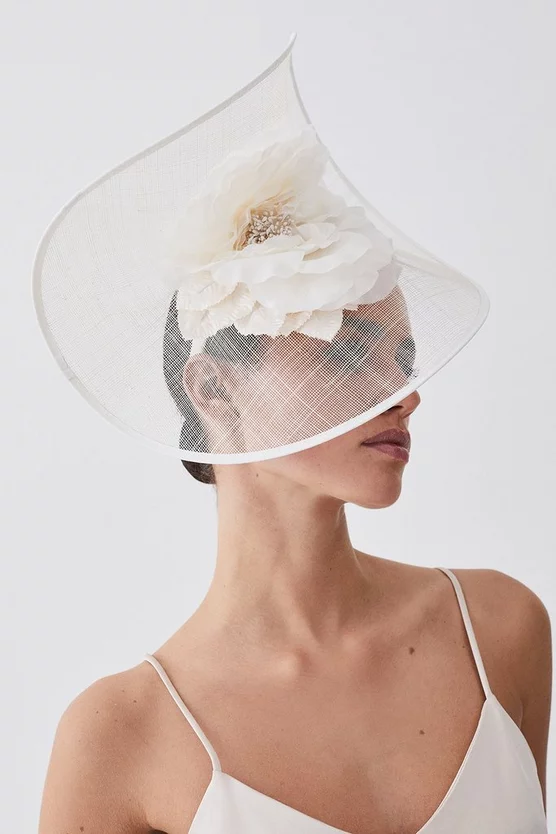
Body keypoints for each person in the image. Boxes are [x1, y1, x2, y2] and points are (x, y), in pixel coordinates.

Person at [33, 36, 551, 834]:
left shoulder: (500, 630)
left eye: (402, 359)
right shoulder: (123, 739)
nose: (404, 395)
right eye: (345, 353)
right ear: (214, 388)